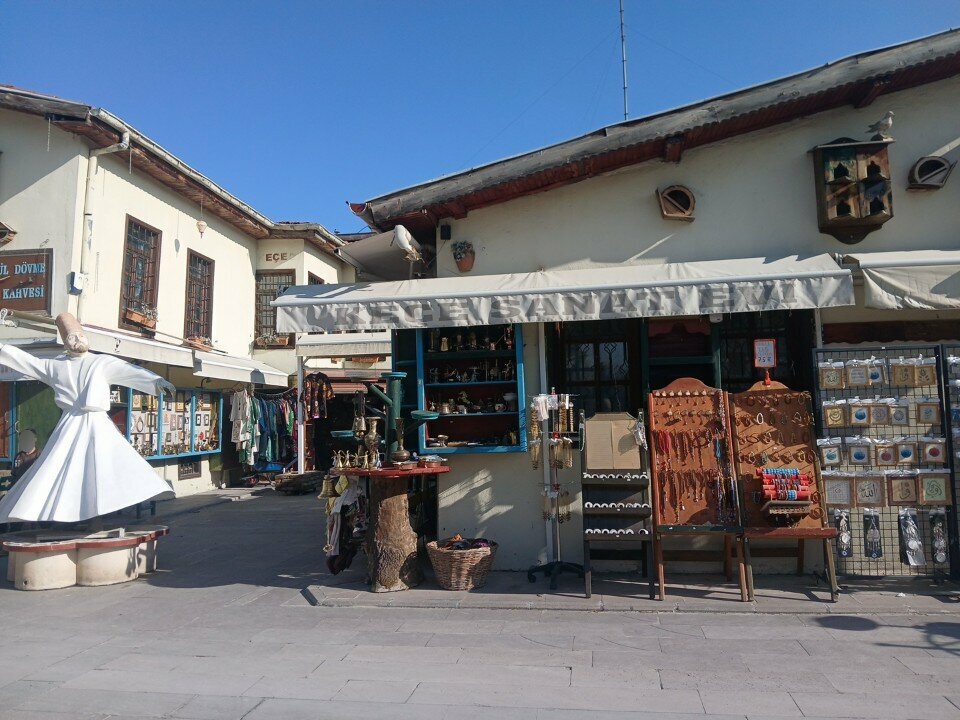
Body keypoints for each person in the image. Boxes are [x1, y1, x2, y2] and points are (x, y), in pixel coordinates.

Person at [0, 312, 176, 523]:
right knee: (61, 470)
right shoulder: (55, 366)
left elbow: (129, 371)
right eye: (72, 337)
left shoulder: (101, 362)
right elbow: (27, 361)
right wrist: (3, 349)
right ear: (65, 342)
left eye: (80, 335)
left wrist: (156, 382)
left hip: (97, 422)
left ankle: (97, 514)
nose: (78, 340)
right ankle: (70, 515)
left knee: (108, 464)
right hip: (70, 423)